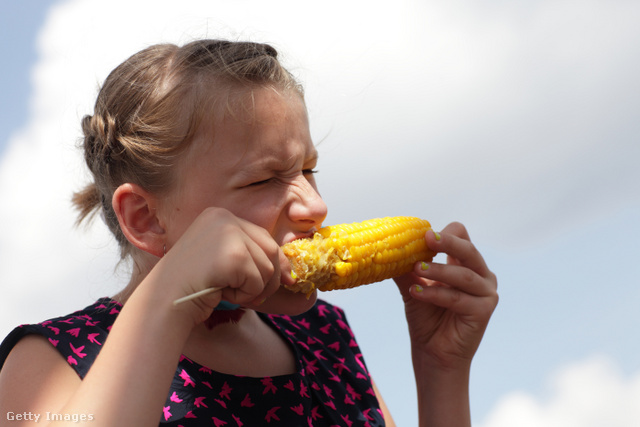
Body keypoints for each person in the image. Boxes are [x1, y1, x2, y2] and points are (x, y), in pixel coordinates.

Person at [0, 39, 498, 426]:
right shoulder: (54, 359)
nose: (316, 206)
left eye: (309, 170)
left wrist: (442, 373)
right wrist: (170, 296)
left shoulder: (324, 336)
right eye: (264, 178)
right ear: (147, 219)